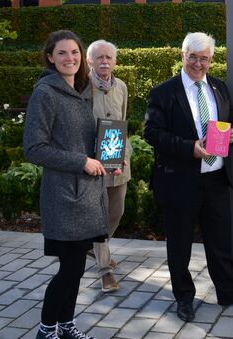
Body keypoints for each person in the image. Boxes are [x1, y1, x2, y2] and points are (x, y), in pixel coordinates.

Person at [144, 32, 233, 322]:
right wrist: (189, 149)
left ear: (211, 60)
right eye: (193, 57)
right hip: (180, 180)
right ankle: (184, 297)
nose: (198, 63)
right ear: (182, 56)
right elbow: (152, 133)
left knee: (220, 240)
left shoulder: (218, 88)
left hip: (216, 178)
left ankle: (228, 291)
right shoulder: (163, 92)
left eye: (204, 58)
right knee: (180, 245)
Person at [24, 30, 108, 339]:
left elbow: (79, 142)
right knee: (69, 267)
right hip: (64, 195)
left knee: (77, 267)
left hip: (84, 195)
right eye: (62, 53)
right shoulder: (46, 93)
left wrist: (105, 154)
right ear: (50, 57)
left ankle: (66, 325)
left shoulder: (79, 91)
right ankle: (46, 330)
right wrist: (80, 162)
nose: (69, 58)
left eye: (74, 52)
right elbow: (34, 148)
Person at [86, 39, 132, 293]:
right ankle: (105, 270)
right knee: (100, 216)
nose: (105, 61)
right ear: (89, 61)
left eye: (109, 57)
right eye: (99, 57)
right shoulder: (82, 87)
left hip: (119, 159)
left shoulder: (122, 87)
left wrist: (125, 150)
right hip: (94, 163)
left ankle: (94, 247)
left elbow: (122, 120)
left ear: (115, 61)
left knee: (117, 211)